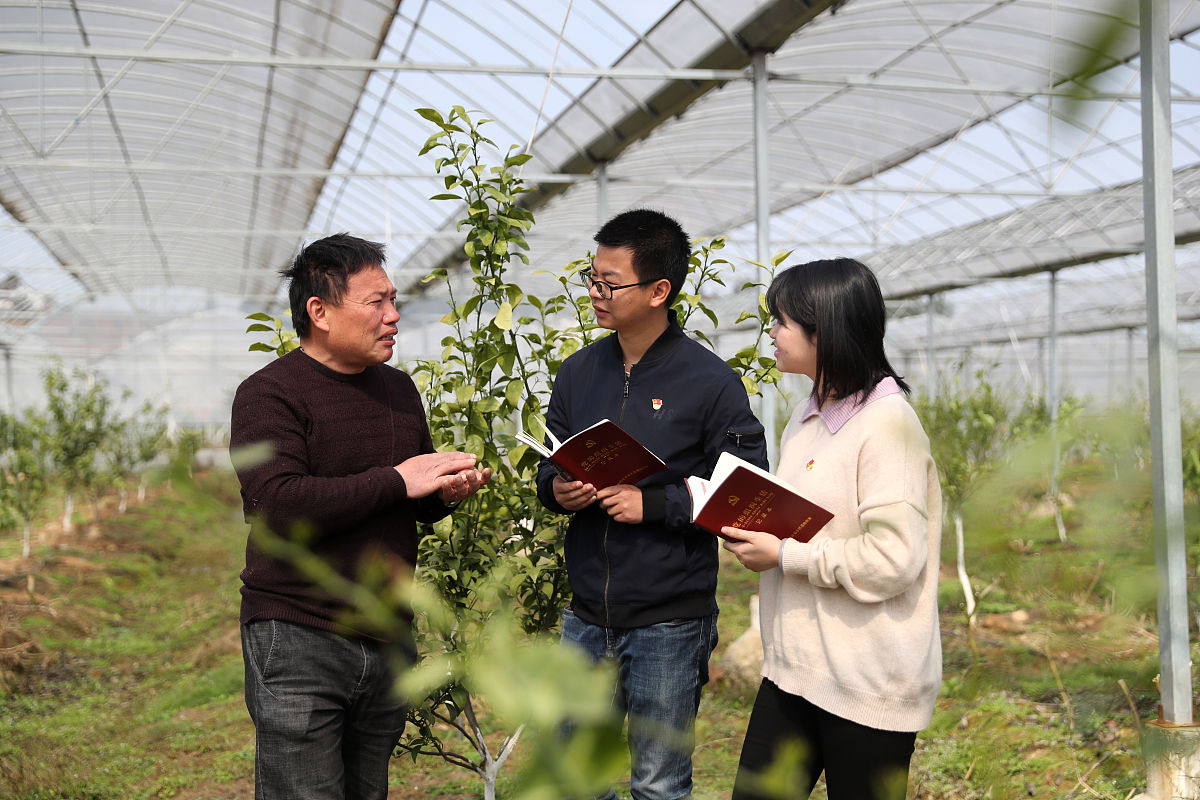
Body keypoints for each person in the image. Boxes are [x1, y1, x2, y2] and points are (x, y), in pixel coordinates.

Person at [229, 233, 491, 800]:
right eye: (377, 302)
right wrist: (400, 479)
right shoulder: (269, 394)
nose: (393, 316)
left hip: (385, 634)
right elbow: (278, 505)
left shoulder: (397, 390)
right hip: (300, 633)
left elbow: (407, 500)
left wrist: (443, 493)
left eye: (393, 300)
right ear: (319, 312)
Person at [535, 208, 768, 800]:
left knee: (658, 785)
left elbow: (747, 492)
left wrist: (657, 506)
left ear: (659, 291)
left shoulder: (709, 382)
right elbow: (550, 460)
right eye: (592, 278)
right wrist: (556, 490)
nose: (595, 292)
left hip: (670, 621)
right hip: (586, 614)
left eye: (609, 283)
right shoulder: (578, 374)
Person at [722, 257, 942, 800]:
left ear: (824, 331)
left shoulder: (887, 426)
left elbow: (893, 558)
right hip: (795, 670)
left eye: (781, 322)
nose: (771, 333)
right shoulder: (808, 415)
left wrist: (784, 556)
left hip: (866, 681)